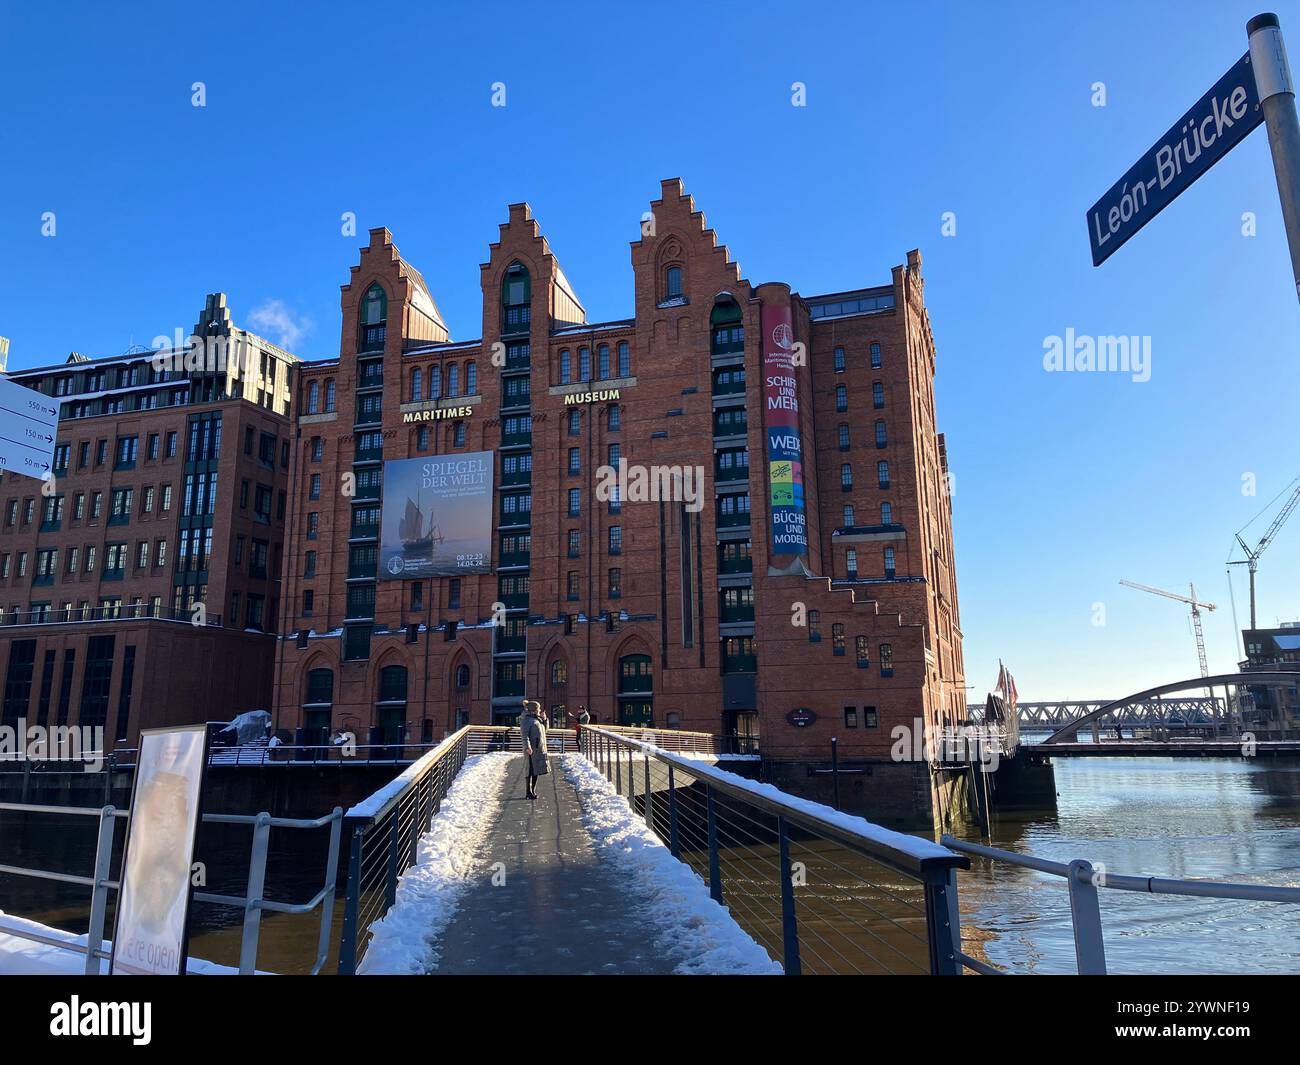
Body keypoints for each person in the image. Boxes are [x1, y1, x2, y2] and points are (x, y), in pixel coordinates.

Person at [519, 700, 549, 800]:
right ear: (534, 710)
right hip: (531, 749)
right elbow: (524, 735)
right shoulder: (526, 720)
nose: (540, 710)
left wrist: (545, 720)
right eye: (538, 709)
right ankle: (528, 791)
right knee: (530, 770)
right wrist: (527, 747)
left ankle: (533, 790)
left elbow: (545, 730)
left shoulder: (537, 719)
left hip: (538, 748)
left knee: (536, 770)